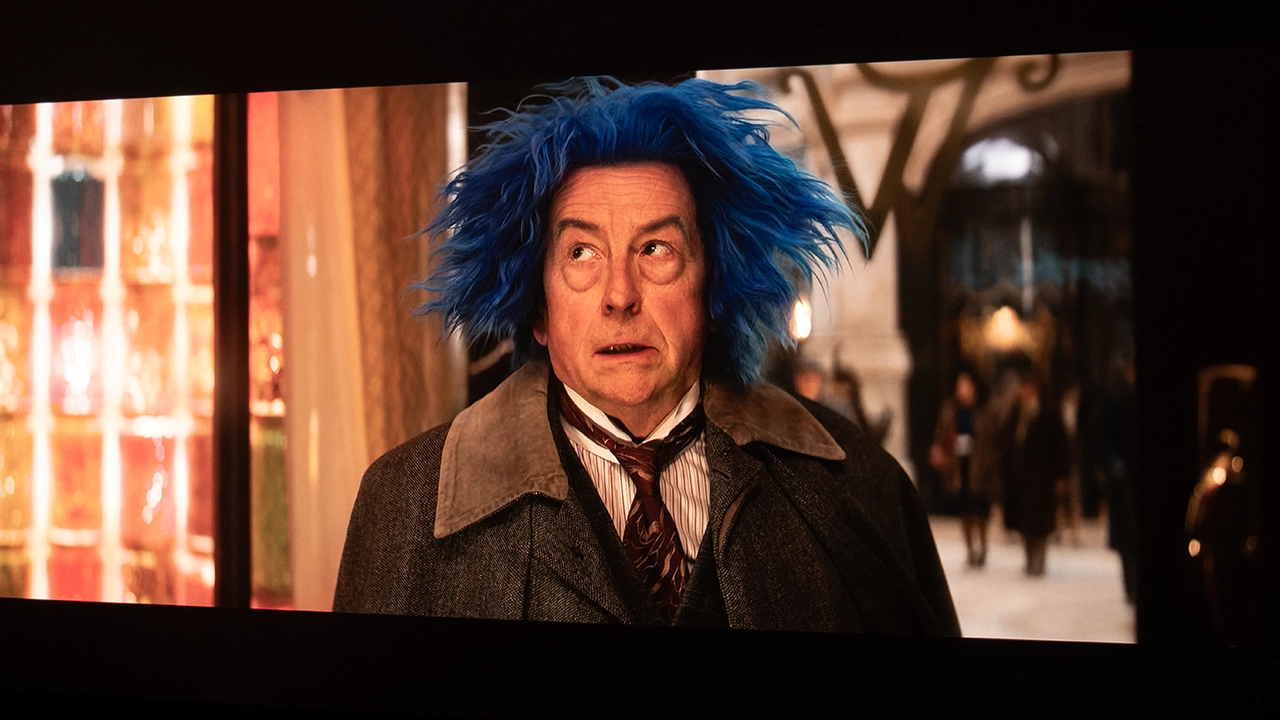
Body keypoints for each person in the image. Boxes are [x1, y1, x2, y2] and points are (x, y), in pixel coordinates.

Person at [333, 78, 959, 634]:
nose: (620, 296)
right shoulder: (403, 505)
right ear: (540, 309)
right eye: (581, 253)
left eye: (656, 248)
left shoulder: (862, 487)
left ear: (712, 290)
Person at [998, 373, 1069, 576]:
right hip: (1019, 476)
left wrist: (1060, 475)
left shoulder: (1048, 413)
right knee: (1024, 520)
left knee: (1040, 521)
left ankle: (1039, 558)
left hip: (1042, 476)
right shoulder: (1016, 412)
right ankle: (1029, 558)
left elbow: (1060, 446)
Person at [931, 370, 992, 567]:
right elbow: (941, 433)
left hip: (979, 465)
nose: (962, 390)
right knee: (965, 508)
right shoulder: (951, 409)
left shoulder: (983, 410)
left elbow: (990, 438)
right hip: (960, 465)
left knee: (980, 509)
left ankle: (983, 545)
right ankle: (970, 549)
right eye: (960, 386)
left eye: (966, 386)